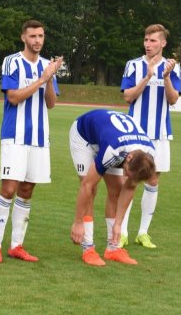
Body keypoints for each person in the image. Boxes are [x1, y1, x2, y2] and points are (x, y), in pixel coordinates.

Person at [0, 20, 62, 264]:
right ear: (23, 38)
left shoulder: (47, 65)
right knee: (8, 189)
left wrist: (49, 79)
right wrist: (41, 80)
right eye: (32, 36)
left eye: (41, 36)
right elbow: (13, 97)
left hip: (39, 138)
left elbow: (50, 103)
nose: (37, 40)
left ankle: (16, 245)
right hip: (15, 136)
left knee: (27, 190)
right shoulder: (12, 61)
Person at [119, 24, 181, 249]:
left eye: (153, 40)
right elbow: (128, 97)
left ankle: (143, 233)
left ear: (163, 43)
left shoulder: (173, 67)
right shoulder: (133, 65)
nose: (148, 44)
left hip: (160, 134)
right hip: (135, 133)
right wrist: (146, 78)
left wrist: (165, 77)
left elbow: (173, 99)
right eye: (146, 39)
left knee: (153, 181)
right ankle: (123, 232)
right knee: (129, 180)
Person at [69, 109, 157, 266]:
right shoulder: (114, 150)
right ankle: (88, 247)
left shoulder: (148, 153)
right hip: (84, 138)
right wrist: (78, 222)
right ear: (128, 158)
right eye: (129, 173)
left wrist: (118, 224)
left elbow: (129, 187)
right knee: (92, 188)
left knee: (117, 188)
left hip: (113, 140)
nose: (130, 178)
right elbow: (86, 186)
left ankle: (113, 249)